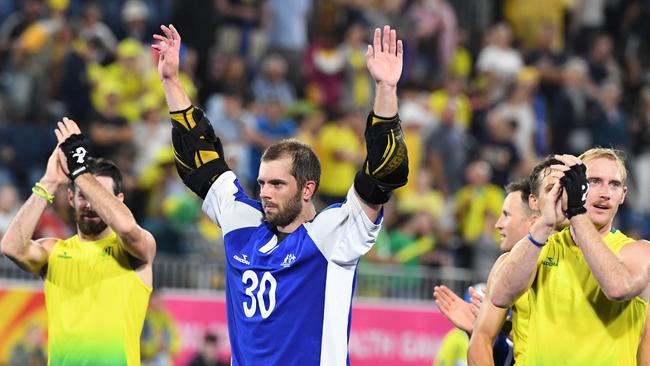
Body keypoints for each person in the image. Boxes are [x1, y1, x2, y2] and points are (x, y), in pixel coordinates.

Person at [152, 24, 408, 365]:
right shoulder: (242, 223)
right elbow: (200, 159)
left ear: (307, 189)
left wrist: (385, 89)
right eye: (261, 183)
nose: (265, 193)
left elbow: (382, 174)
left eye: (277, 184)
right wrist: (171, 81)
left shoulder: (331, 236)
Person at [0, 118, 156, 365]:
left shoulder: (135, 249)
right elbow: (11, 247)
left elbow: (126, 227)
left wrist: (80, 172)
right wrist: (49, 182)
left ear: (120, 200)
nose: (91, 204)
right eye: (83, 196)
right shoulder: (54, 251)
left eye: (101, 196)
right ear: (70, 198)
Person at [490, 148, 650, 365]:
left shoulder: (639, 251)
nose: (605, 193)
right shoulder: (540, 245)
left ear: (623, 195)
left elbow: (618, 287)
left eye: (613, 184)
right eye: (594, 181)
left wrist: (576, 212)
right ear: (575, 187)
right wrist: (546, 221)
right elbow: (500, 296)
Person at [435, 177, 539, 366]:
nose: (498, 224)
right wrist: (479, 331)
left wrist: (502, 328)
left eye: (506, 215)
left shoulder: (562, 262)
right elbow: (510, 357)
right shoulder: (502, 265)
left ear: (533, 222)